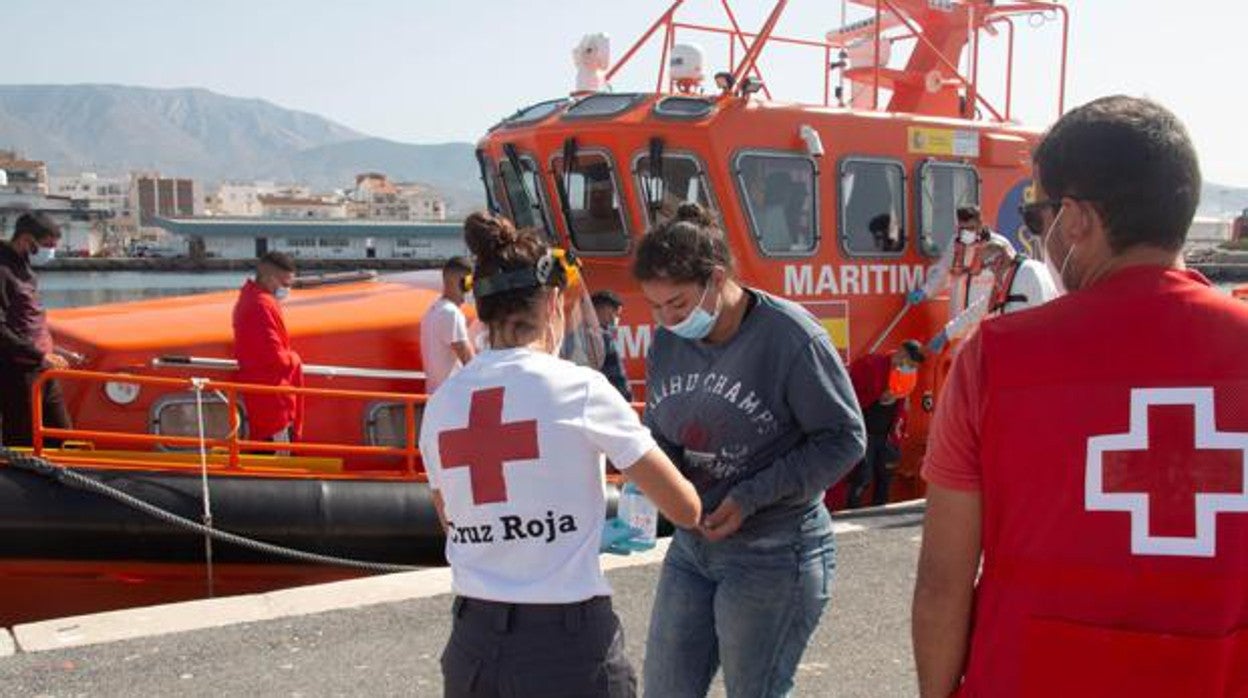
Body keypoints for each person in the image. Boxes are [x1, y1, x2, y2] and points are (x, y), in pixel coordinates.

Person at [913, 95, 1248, 697]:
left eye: (1036, 216)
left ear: (1076, 220)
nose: (1036, 235)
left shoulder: (994, 358)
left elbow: (943, 580)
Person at [419, 211, 700, 698]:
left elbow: (453, 519)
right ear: (552, 302)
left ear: (480, 311)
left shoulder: (441, 405)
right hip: (566, 649)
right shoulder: (581, 389)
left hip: (473, 645)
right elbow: (684, 508)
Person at [634, 202, 866, 697]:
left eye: (676, 304)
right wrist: (664, 484)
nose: (667, 320)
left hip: (775, 551)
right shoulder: (668, 341)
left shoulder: (792, 338)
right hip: (693, 546)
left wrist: (752, 496)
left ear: (716, 279)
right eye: (654, 307)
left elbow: (845, 440)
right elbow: (660, 431)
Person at [0, 212, 71, 447]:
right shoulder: (3, 270)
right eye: (47, 245)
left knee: (62, 435)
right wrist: (39, 354)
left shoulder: (25, 268)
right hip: (19, 370)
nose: (50, 251)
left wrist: (54, 348)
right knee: (24, 437)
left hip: (41, 366)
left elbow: (29, 316)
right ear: (27, 239)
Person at [926, 238, 1058, 352]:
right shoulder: (1009, 278)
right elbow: (976, 311)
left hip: (1034, 350)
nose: (990, 270)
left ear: (999, 260)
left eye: (988, 265)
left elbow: (1042, 314)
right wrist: (946, 333)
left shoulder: (1027, 273)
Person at [232, 251, 302, 443]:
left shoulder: (251, 299)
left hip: (263, 396)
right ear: (271, 278)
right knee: (279, 458)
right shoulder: (260, 306)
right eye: (286, 284)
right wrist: (294, 359)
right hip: (273, 402)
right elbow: (274, 357)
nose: (287, 290)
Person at [845, 339, 925, 508]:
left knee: (885, 477)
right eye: (909, 364)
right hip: (865, 431)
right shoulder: (870, 364)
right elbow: (850, 395)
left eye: (913, 367)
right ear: (901, 352)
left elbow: (903, 404)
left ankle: (880, 514)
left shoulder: (906, 375)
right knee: (862, 477)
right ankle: (850, 510)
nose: (909, 369)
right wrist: (877, 396)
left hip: (887, 434)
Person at [907, 205, 1013, 312]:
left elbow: (1011, 276)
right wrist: (925, 291)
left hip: (987, 309)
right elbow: (943, 270)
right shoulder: (955, 244)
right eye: (963, 228)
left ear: (980, 224)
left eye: (971, 228)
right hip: (959, 310)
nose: (967, 232)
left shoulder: (1000, 245)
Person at [420, 255, 475, 394]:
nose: (470, 289)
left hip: (436, 397)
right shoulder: (451, 313)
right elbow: (471, 363)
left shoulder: (432, 311)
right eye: (468, 283)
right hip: (453, 398)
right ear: (454, 281)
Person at [591, 289, 632, 401]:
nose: (615, 319)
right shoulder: (604, 337)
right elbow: (617, 377)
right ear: (602, 309)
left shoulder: (570, 335)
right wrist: (628, 401)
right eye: (614, 313)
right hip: (605, 402)